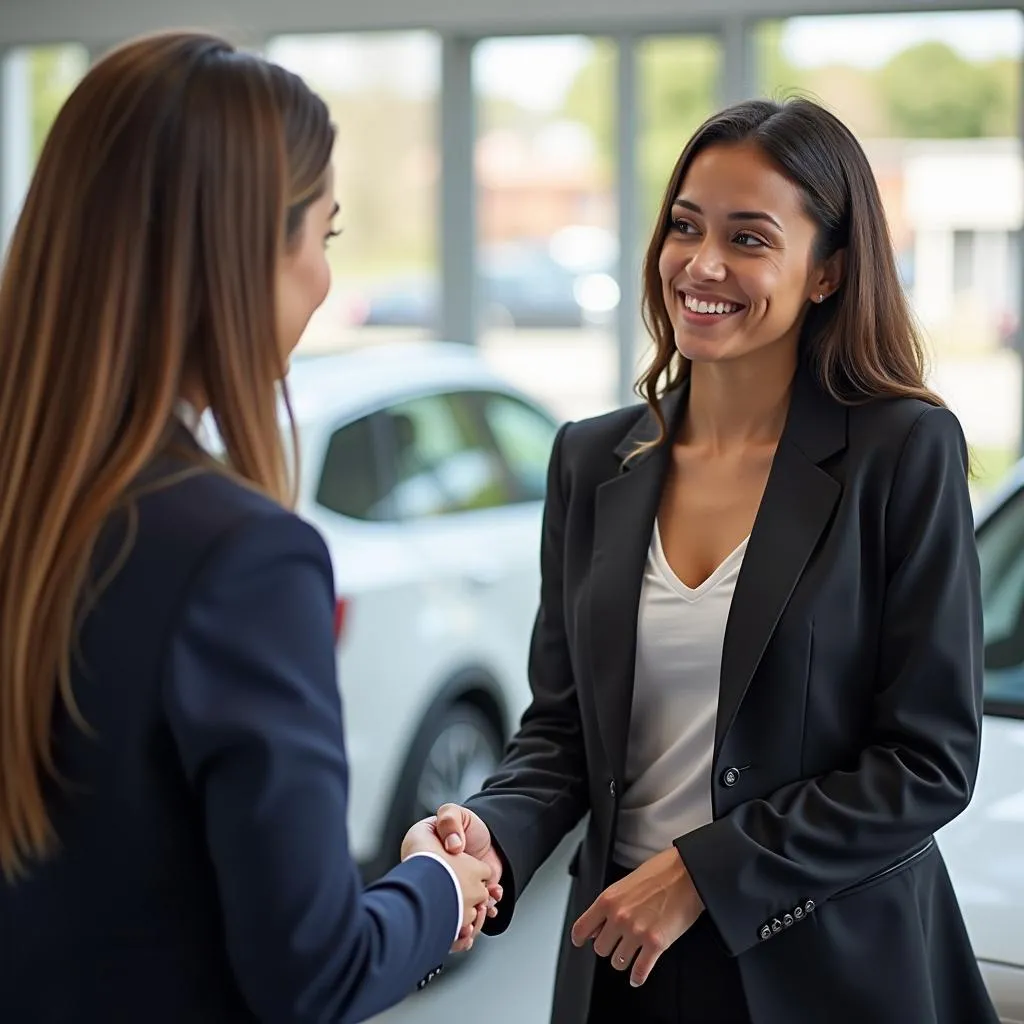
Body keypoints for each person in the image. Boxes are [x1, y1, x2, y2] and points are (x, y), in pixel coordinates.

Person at [429, 97, 999, 1024]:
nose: (701, 264)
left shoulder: (902, 451)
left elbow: (927, 761)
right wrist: (487, 832)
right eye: (685, 226)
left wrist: (703, 875)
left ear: (827, 273)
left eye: (749, 238)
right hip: (623, 962)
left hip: (832, 968)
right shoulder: (590, 458)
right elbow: (564, 733)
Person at [0, 31, 494, 1024]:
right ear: (239, 254)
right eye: (326, 235)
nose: (322, 278)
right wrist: (437, 892)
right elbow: (311, 973)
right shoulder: (238, 556)